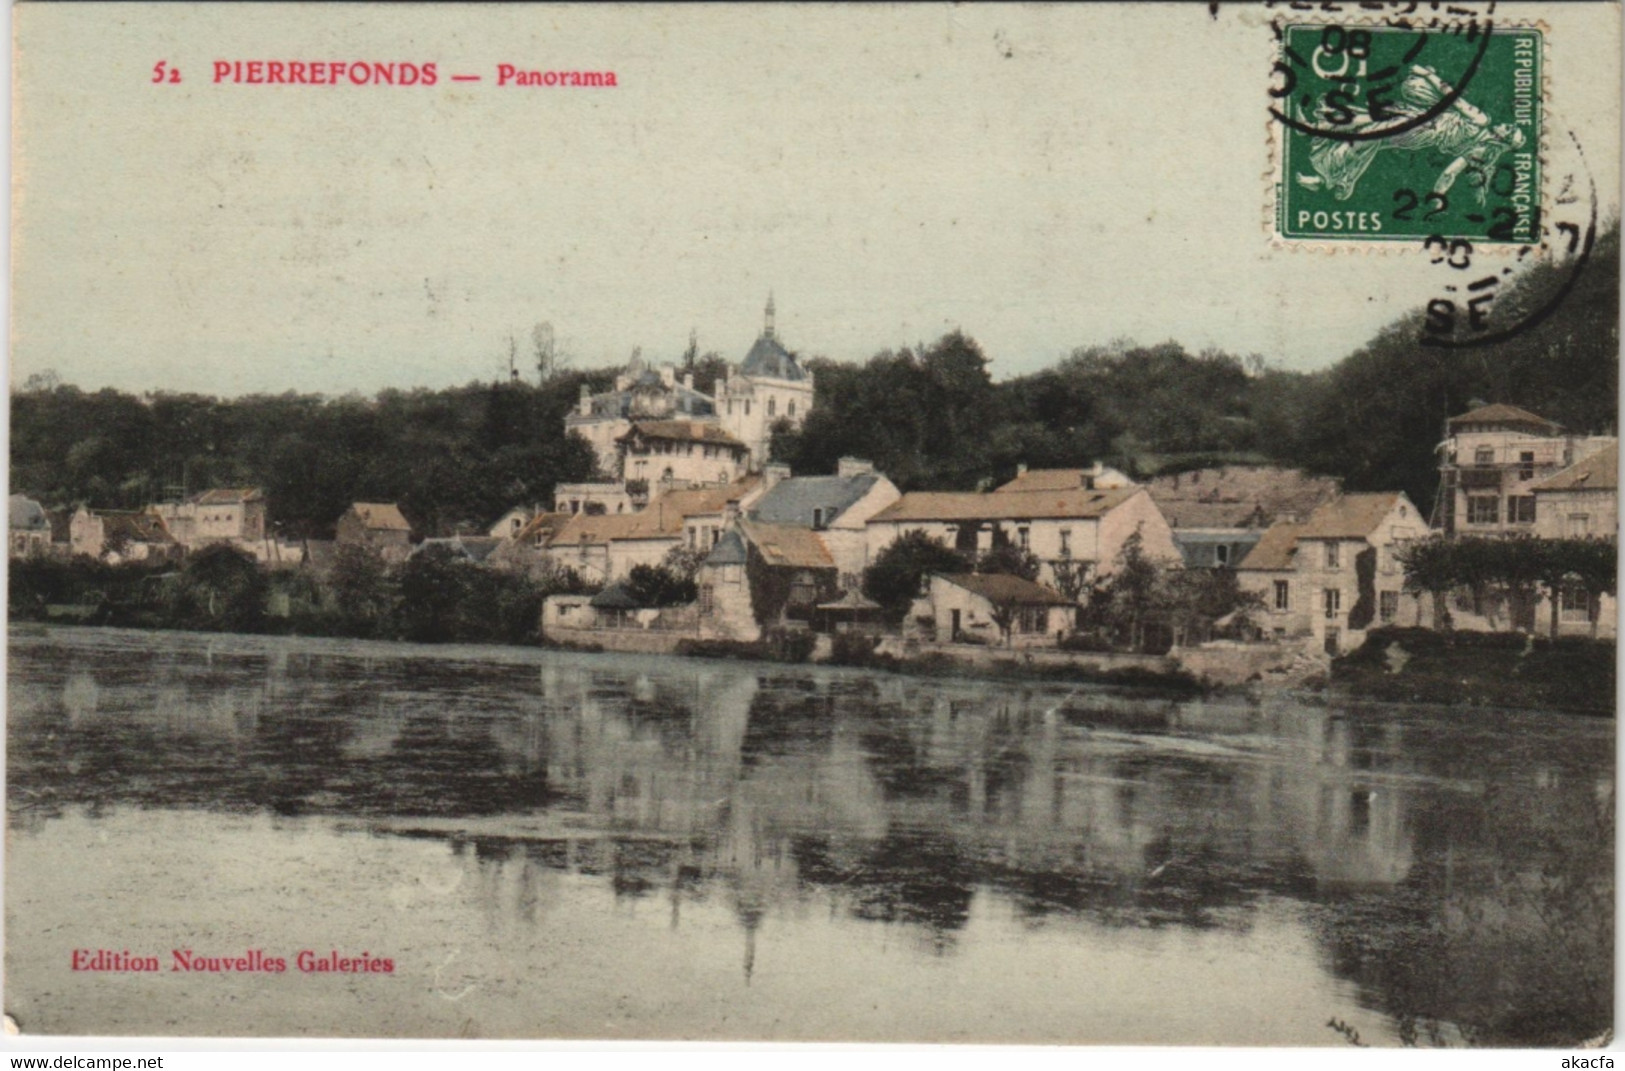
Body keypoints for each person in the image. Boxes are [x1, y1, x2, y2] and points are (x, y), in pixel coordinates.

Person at [1294, 65, 1526, 203]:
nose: (1507, 125)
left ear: (1502, 138)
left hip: (1421, 126)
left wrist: (1427, 75)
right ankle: (1320, 150)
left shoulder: (1482, 120)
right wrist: (1438, 197)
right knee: (1369, 128)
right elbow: (1449, 174)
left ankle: (1324, 173)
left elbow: (1452, 97)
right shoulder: (1481, 152)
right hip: (1421, 131)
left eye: (1510, 130)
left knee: (1367, 134)